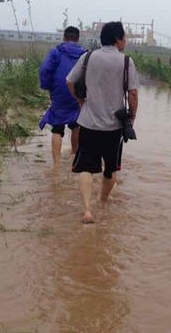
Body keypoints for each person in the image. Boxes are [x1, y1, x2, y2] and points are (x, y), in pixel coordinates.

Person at [66, 21, 139, 224]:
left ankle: (87, 210)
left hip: (88, 123)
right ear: (117, 39)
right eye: (124, 37)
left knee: (85, 168)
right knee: (110, 169)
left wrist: (81, 102)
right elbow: (132, 93)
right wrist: (131, 118)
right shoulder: (126, 62)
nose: (125, 41)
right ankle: (102, 201)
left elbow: (69, 81)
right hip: (114, 127)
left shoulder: (88, 57)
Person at [39, 26, 86, 168]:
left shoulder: (56, 52)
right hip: (77, 94)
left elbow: (45, 70)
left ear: (64, 38)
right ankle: (74, 157)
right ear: (77, 39)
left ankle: (56, 164)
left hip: (59, 93)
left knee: (57, 128)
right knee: (76, 126)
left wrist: (47, 86)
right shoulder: (84, 54)